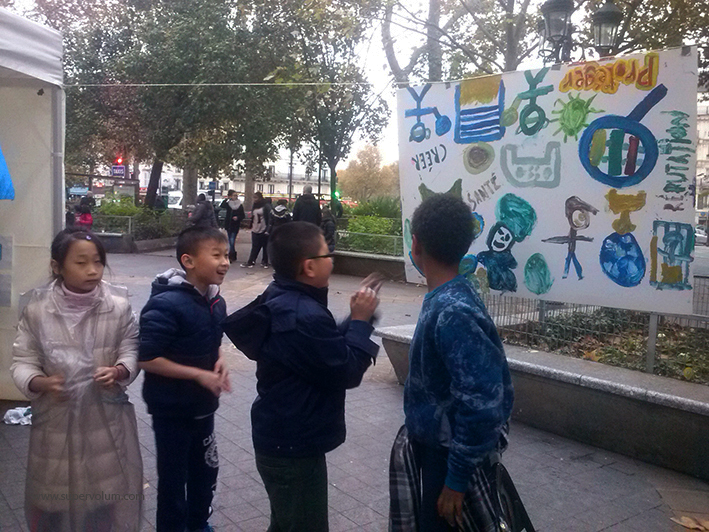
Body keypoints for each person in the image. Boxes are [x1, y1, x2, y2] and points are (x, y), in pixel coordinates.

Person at [223, 222, 381, 532]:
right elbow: (346, 370)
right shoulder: (302, 314)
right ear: (309, 267)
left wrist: (358, 318)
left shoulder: (285, 296)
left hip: (283, 439)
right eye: (327, 254)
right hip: (293, 449)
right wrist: (361, 322)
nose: (332, 260)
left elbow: (321, 350)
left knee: (286, 523)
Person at [390, 194, 514, 532]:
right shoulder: (450, 296)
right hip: (440, 454)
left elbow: (481, 402)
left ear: (416, 244)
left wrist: (456, 480)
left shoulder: (453, 311)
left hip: (449, 463)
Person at [11, 227, 143, 532]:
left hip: (104, 422)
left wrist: (120, 370)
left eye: (98, 262)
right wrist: (40, 382)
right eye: (81, 263)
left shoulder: (118, 306)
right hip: (55, 423)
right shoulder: (37, 310)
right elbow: (23, 361)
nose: (92, 270)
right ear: (57, 267)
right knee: (54, 505)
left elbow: (131, 348)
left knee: (101, 501)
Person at [138, 226, 232, 532]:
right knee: (174, 482)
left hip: (203, 407)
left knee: (205, 473)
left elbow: (213, 340)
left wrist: (219, 360)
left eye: (226, 255)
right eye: (216, 255)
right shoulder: (165, 303)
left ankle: (198, 525)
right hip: (172, 411)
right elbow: (146, 357)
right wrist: (199, 375)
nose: (225, 262)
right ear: (188, 261)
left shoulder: (215, 301)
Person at [242, 191, 270, 268]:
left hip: (263, 228)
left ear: (260, 198)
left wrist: (268, 229)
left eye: (256, 198)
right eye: (254, 198)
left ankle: (264, 261)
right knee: (255, 246)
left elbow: (269, 218)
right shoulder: (255, 205)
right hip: (255, 228)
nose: (254, 199)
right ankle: (251, 261)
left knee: (265, 246)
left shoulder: (266, 206)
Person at [219, 190, 246, 263]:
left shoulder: (239, 205)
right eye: (233, 195)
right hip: (229, 224)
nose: (235, 197)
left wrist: (238, 217)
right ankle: (233, 254)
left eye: (236, 195)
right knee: (230, 239)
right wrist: (226, 199)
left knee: (232, 240)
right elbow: (222, 205)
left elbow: (242, 215)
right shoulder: (228, 204)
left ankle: (231, 255)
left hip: (235, 224)